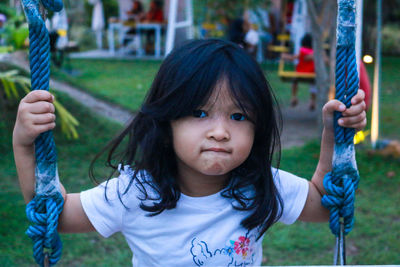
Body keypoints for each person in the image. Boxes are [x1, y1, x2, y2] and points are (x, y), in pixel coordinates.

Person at [13, 39, 366, 266]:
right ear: (167, 122)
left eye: (238, 116)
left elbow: (324, 206)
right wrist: (25, 145)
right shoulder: (135, 192)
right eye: (199, 113)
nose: (219, 131)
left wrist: (333, 136)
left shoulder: (260, 186)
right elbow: (53, 215)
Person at [282, 33, 317, 110]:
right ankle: (312, 101)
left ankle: (294, 97)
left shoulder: (302, 50)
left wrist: (284, 56)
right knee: (313, 84)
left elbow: (292, 58)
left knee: (294, 81)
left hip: (300, 73)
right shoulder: (314, 52)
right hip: (311, 73)